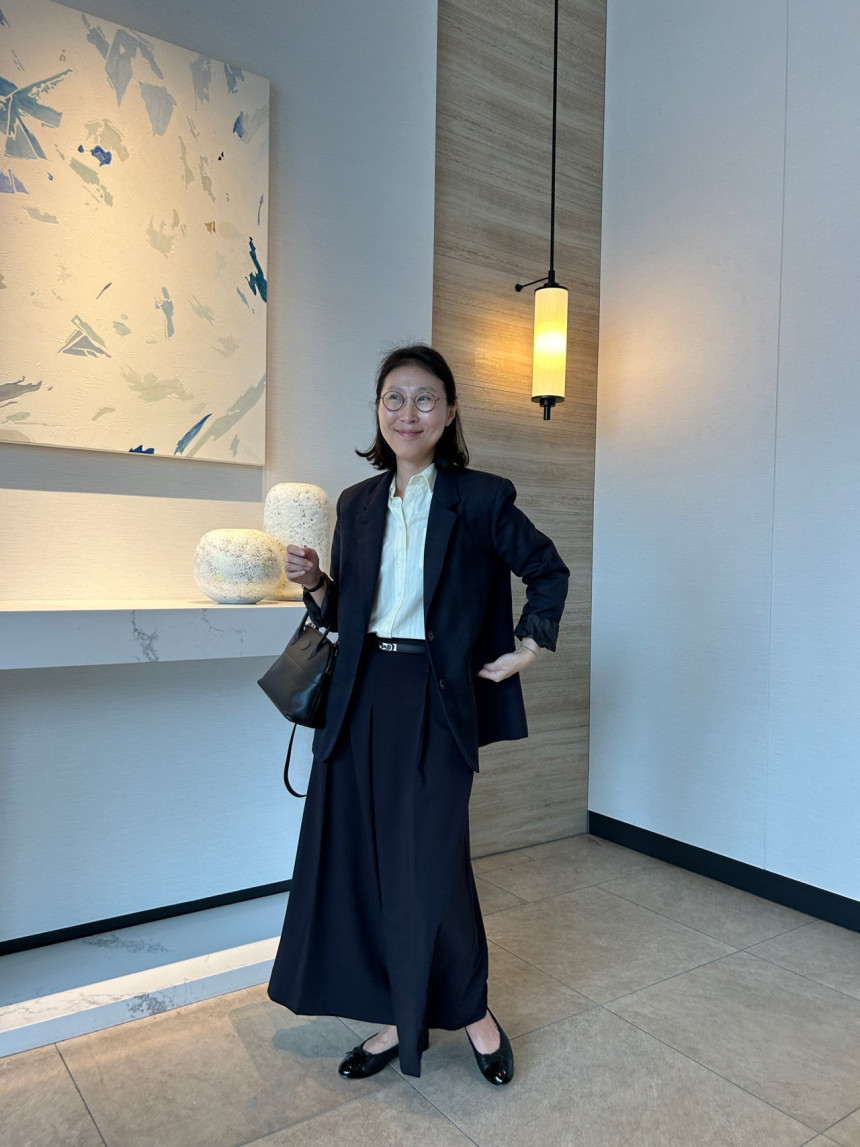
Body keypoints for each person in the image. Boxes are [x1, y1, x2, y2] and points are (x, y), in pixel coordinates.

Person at [267, 344, 569, 1085]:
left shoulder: (481, 497)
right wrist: (316, 583)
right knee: (365, 864)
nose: (409, 412)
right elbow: (346, 614)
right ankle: (391, 1015)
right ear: (378, 410)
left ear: (450, 411)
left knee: (432, 869)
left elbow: (547, 568)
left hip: (435, 699)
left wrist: (528, 646)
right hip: (360, 697)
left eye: (425, 398)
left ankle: (472, 1013)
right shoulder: (356, 504)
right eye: (394, 398)